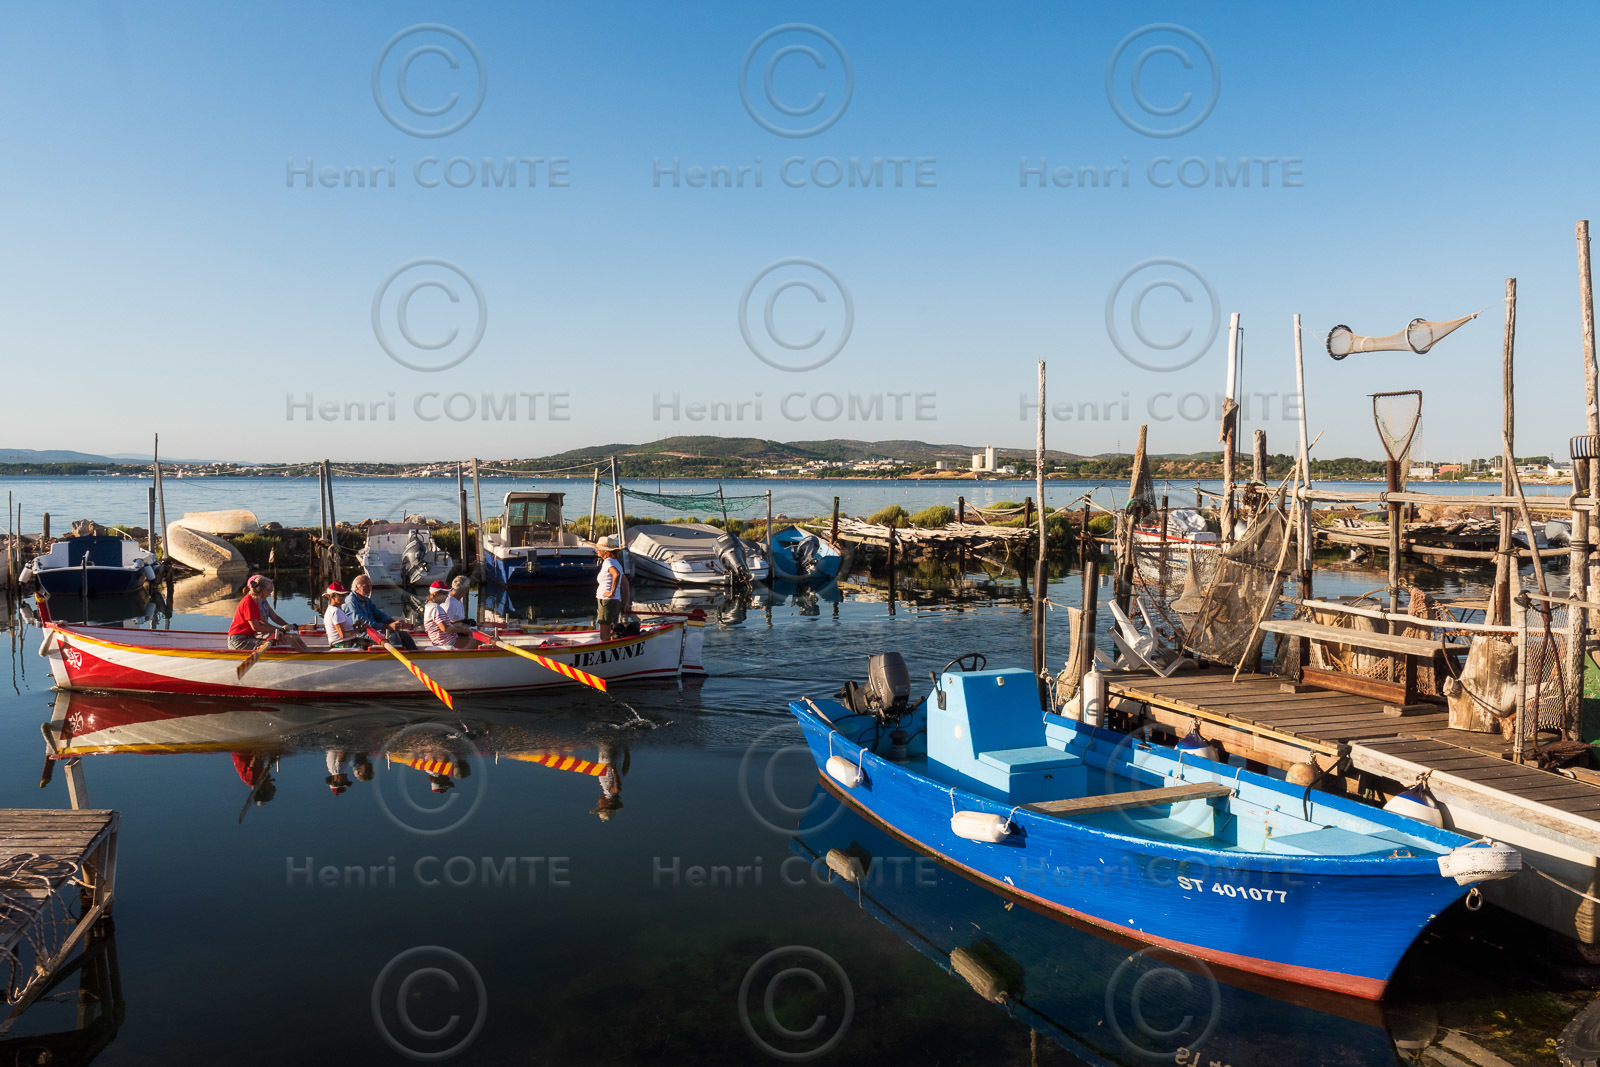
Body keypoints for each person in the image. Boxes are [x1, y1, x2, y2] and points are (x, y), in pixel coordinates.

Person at [228, 574, 306, 651]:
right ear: (264, 591)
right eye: (269, 591)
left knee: (294, 637)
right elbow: (256, 627)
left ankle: (307, 653)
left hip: (248, 637)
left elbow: (267, 620)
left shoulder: (255, 601)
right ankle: (303, 657)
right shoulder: (248, 602)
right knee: (281, 642)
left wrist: (282, 628)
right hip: (238, 640)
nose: (270, 594)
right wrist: (278, 630)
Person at [347, 574, 416, 650]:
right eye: (366, 586)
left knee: (404, 634)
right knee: (392, 635)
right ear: (357, 587)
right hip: (360, 633)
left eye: (370, 586)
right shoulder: (351, 601)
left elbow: (380, 615)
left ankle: (415, 656)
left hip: (373, 631)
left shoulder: (367, 600)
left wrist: (395, 623)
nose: (369, 589)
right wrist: (388, 627)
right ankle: (395, 658)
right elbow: (362, 623)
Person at [423, 580, 476, 649]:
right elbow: (445, 629)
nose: (447, 596)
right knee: (477, 642)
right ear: (436, 594)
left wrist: (461, 626)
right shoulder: (436, 608)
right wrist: (463, 630)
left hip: (444, 640)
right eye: (445, 594)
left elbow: (445, 626)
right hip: (447, 642)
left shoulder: (429, 606)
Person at [595, 536, 626, 641]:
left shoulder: (608, 562)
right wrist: (625, 602)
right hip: (615, 601)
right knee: (612, 631)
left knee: (604, 634)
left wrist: (611, 592)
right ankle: (612, 651)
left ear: (605, 551)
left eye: (598, 548)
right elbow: (625, 584)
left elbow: (615, 574)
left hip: (607, 602)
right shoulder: (616, 563)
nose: (596, 550)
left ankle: (605, 652)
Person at [322, 582, 367, 649]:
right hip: (340, 644)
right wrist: (360, 630)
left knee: (371, 643)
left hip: (343, 642)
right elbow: (343, 635)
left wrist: (355, 625)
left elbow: (344, 628)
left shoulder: (334, 609)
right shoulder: (335, 611)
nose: (344, 597)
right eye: (341, 595)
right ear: (332, 596)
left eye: (344, 594)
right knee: (372, 646)